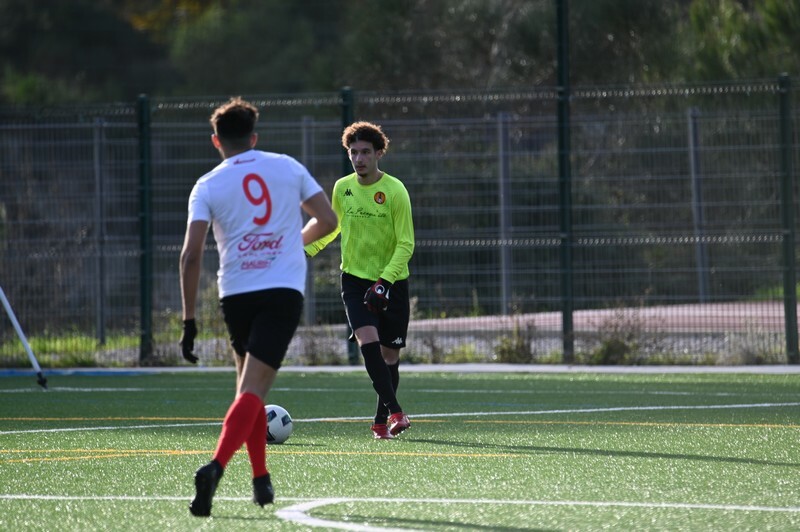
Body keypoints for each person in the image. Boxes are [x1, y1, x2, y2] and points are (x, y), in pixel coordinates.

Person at [179, 97, 337, 517]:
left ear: (216, 141)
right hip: (281, 291)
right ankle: (215, 467)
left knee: (246, 390)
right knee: (252, 391)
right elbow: (328, 220)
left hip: (236, 294)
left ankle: (261, 478)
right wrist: (291, 244)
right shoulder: (287, 166)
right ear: (254, 137)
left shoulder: (207, 184)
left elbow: (190, 256)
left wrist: (189, 321)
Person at [305, 121, 414, 440]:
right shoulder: (343, 188)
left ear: (379, 153)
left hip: (392, 283)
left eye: (365, 152)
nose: (359, 158)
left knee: (390, 357)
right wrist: (304, 250)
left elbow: (406, 244)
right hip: (354, 281)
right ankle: (396, 411)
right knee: (368, 343)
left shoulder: (395, 190)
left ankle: (380, 422)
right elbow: (332, 227)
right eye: (353, 152)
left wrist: (385, 282)